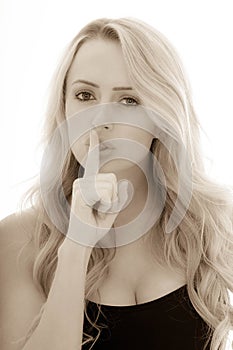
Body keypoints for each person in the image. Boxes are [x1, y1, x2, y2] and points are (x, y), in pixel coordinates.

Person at [1, 17, 233, 350]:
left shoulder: (213, 225)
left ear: (162, 116)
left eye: (129, 101)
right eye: (84, 95)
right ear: (64, 110)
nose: (99, 120)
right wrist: (77, 246)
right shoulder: (17, 241)